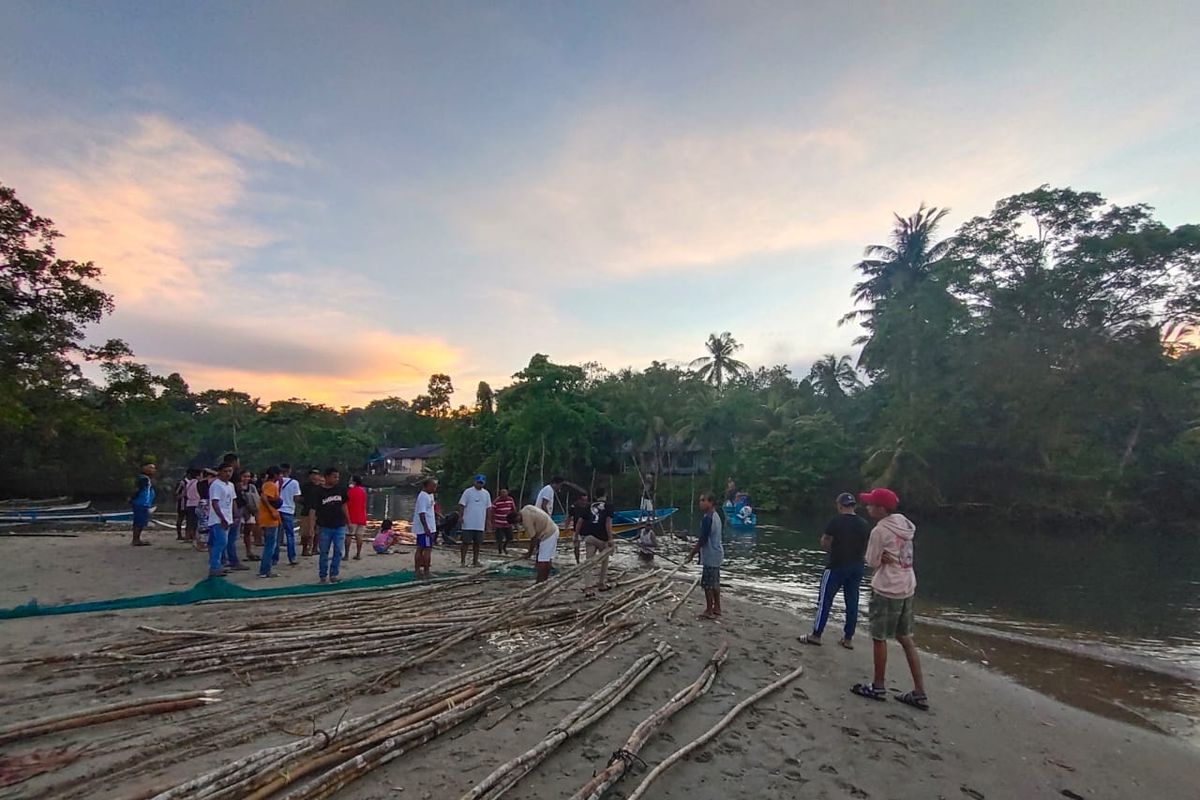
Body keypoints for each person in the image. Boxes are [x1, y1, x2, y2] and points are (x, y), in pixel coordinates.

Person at [851, 487, 928, 710]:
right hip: (907, 585)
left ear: (881, 508)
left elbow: (872, 561)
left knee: (879, 637)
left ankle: (878, 685)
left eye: (871, 504)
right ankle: (919, 690)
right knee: (905, 636)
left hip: (886, 588)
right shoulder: (904, 524)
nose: (867, 507)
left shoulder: (880, 531)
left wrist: (879, 556)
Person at [802, 493, 870, 648]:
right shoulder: (864, 523)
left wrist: (832, 548)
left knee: (825, 600)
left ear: (839, 505)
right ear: (853, 506)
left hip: (837, 564)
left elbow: (825, 541)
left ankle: (816, 635)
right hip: (857, 566)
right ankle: (848, 639)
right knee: (852, 602)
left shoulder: (836, 521)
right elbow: (867, 545)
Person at [690, 492, 724, 619]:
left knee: (708, 584)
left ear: (710, 502)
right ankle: (717, 608)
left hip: (711, 555)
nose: (700, 503)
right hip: (716, 553)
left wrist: (692, 553)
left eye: (703, 500)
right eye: (700, 500)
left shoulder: (708, 518)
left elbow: (703, 539)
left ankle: (709, 610)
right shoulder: (715, 516)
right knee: (715, 583)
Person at [314, 467, 349, 584]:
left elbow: (344, 505)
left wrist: (348, 520)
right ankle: (323, 576)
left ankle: (334, 574)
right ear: (327, 477)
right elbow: (313, 510)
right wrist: (312, 526)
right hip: (324, 525)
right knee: (324, 551)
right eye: (334, 476)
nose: (336, 479)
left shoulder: (341, 490)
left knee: (338, 550)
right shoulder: (319, 492)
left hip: (339, 524)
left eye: (338, 477)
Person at [579, 487, 615, 591]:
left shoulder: (589, 506)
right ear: (606, 494)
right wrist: (610, 539)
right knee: (605, 560)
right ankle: (601, 583)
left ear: (595, 496)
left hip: (590, 537)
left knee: (589, 563)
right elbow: (608, 523)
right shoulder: (609, 506)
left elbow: (580, 521)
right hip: (602, 538)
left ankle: (588, 587)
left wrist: (576, 535)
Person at [207, 462, 239, 577]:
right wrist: (222, 518)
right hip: (218, 519)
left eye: (230, 471)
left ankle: (217, 565)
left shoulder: (230, 485)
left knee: (221, 543)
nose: (228, 473)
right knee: (220, 542)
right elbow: (215, 503)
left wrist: (236, 515)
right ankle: (214, 567)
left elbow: (233, 500)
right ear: (220, 472)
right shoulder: (216, 485)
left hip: (228, 517)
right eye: (225, 471)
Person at [457, 474, 492, 567]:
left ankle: (475, 561)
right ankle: (463, 561)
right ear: (474, 482)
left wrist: (488, 521)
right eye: (478, 482)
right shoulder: (468, 492)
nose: (479, 485)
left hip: (480, 522)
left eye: (481, 483)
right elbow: (461, 505)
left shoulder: (486, 493)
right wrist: (461, 516)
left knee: (478, 543)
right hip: (468, 522)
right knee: (465, 542)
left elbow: (489, 508)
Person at [519, 505, 559, 583]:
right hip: (552, 529)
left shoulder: (526, 521)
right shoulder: (526, 508)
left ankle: (540, 582)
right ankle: (544, 580)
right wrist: (537, 549)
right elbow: (537, 534)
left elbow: (533, 538)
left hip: (548, 534)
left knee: (542, 561)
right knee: (546, 559)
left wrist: (529, 553)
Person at [257, 466, 283, 578]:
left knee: (270, 544)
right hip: (269, 519)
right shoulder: (270, 485)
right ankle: (265, 570)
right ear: (276, 475)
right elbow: (264, 497)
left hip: (268, 518)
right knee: (270, 545)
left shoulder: (267, 484)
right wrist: (272, 510)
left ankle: (265, 569)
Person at [276, 463, 302, 566]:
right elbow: (296, 498)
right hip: (289, 510)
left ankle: (274, 558)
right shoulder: (294, 482)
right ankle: (292, 557)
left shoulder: (276, 482)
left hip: (277, 510)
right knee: (290, 535)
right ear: (289, 470)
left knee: (277, 536)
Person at [412, 477, 437, 578]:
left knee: (423, 548)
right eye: (433, 486)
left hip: (430, 525)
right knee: (426, 549)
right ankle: (425, 571)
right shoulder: (423, 496)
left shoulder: (430, 495)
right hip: (425, 528)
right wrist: (426, 528)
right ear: (426, 486)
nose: (435, 488)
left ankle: (420, 570)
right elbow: (421, 513)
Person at [130, 462, 156, 546]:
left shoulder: (146, 479)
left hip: (143, 503)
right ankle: (135, 540)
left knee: (141, 522)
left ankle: (137, 539)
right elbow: (137, 490)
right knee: (139, 522)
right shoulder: (143, 479)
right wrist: (132, 498)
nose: (153, 470)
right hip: (140, 503)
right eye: (151, 468)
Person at [299, 468, 324, 557]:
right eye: (312, 474)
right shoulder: (305, 486)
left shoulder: (322, 488)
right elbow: (299, 498)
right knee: (305, 532)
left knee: (317, 531)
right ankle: (305, 549)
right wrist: (305, 502)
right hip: (306, 511)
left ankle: (314, 549)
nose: (314, 476)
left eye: (316, 474)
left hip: (319, 512)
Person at [238, 470, 261, 561]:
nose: (246, 478)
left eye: (248, 476)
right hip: (240, 511)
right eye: (244, 476)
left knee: (248, 532)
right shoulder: (236, 487)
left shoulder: (252, 487)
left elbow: (257, 500)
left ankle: (249, 551)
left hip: (250, 511)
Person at [345, 474, 368, 561]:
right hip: (361, 516)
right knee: (359, 536)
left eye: (351, 479)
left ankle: (346, 555)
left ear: (354, 481)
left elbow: (346, 504)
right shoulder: (363, 491)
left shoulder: (350, 491)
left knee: (348, 535)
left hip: (352, 516)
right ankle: (358, 554)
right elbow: (364, 504)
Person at [491, 487, 516, 555]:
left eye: (505, 493)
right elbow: (492, 512)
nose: (504, 494)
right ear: (500, 494)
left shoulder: (510, 500)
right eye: (502, 493)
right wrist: (493, 523)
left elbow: (513, 510)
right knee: (499, 538)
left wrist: (514, 521)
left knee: (509, 537)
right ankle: (500, 551)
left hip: (508, 522)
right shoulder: (496, 501)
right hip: (499, 523)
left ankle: (504, 547)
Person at [195, 468, 215, 551]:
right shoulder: (207, 482)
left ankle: (200, 544)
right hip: (206, 504)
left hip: (201, 503)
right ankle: (202, 545)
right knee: (204, 525)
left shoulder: (199, 483)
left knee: (202, 525)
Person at [569, 492, 589, 564]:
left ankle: (588, 561)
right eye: (583, 500)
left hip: (587, 530)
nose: (584, 502)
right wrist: (566, 528)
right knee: (576, 547)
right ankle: (577, 562)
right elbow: (569, 517)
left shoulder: (588, 506)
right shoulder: (574, 507)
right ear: (579, 500)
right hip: (576, 530)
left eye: (586, 500)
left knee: (589, 546)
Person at [183, 468, 201, 543]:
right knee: (195, 521)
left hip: (189, 503)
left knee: (189, 521)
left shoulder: (189, 483)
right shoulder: (198, 483)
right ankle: (194, 537)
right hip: (196, 503)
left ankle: (187, 537)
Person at [172, 472, 187, 541]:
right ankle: (179, 535)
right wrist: (182, 495)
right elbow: (176, 493)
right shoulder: (182, 483)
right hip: (182, 504)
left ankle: (187, 534)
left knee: (189, 519)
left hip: (189, 503)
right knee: (180, 518)